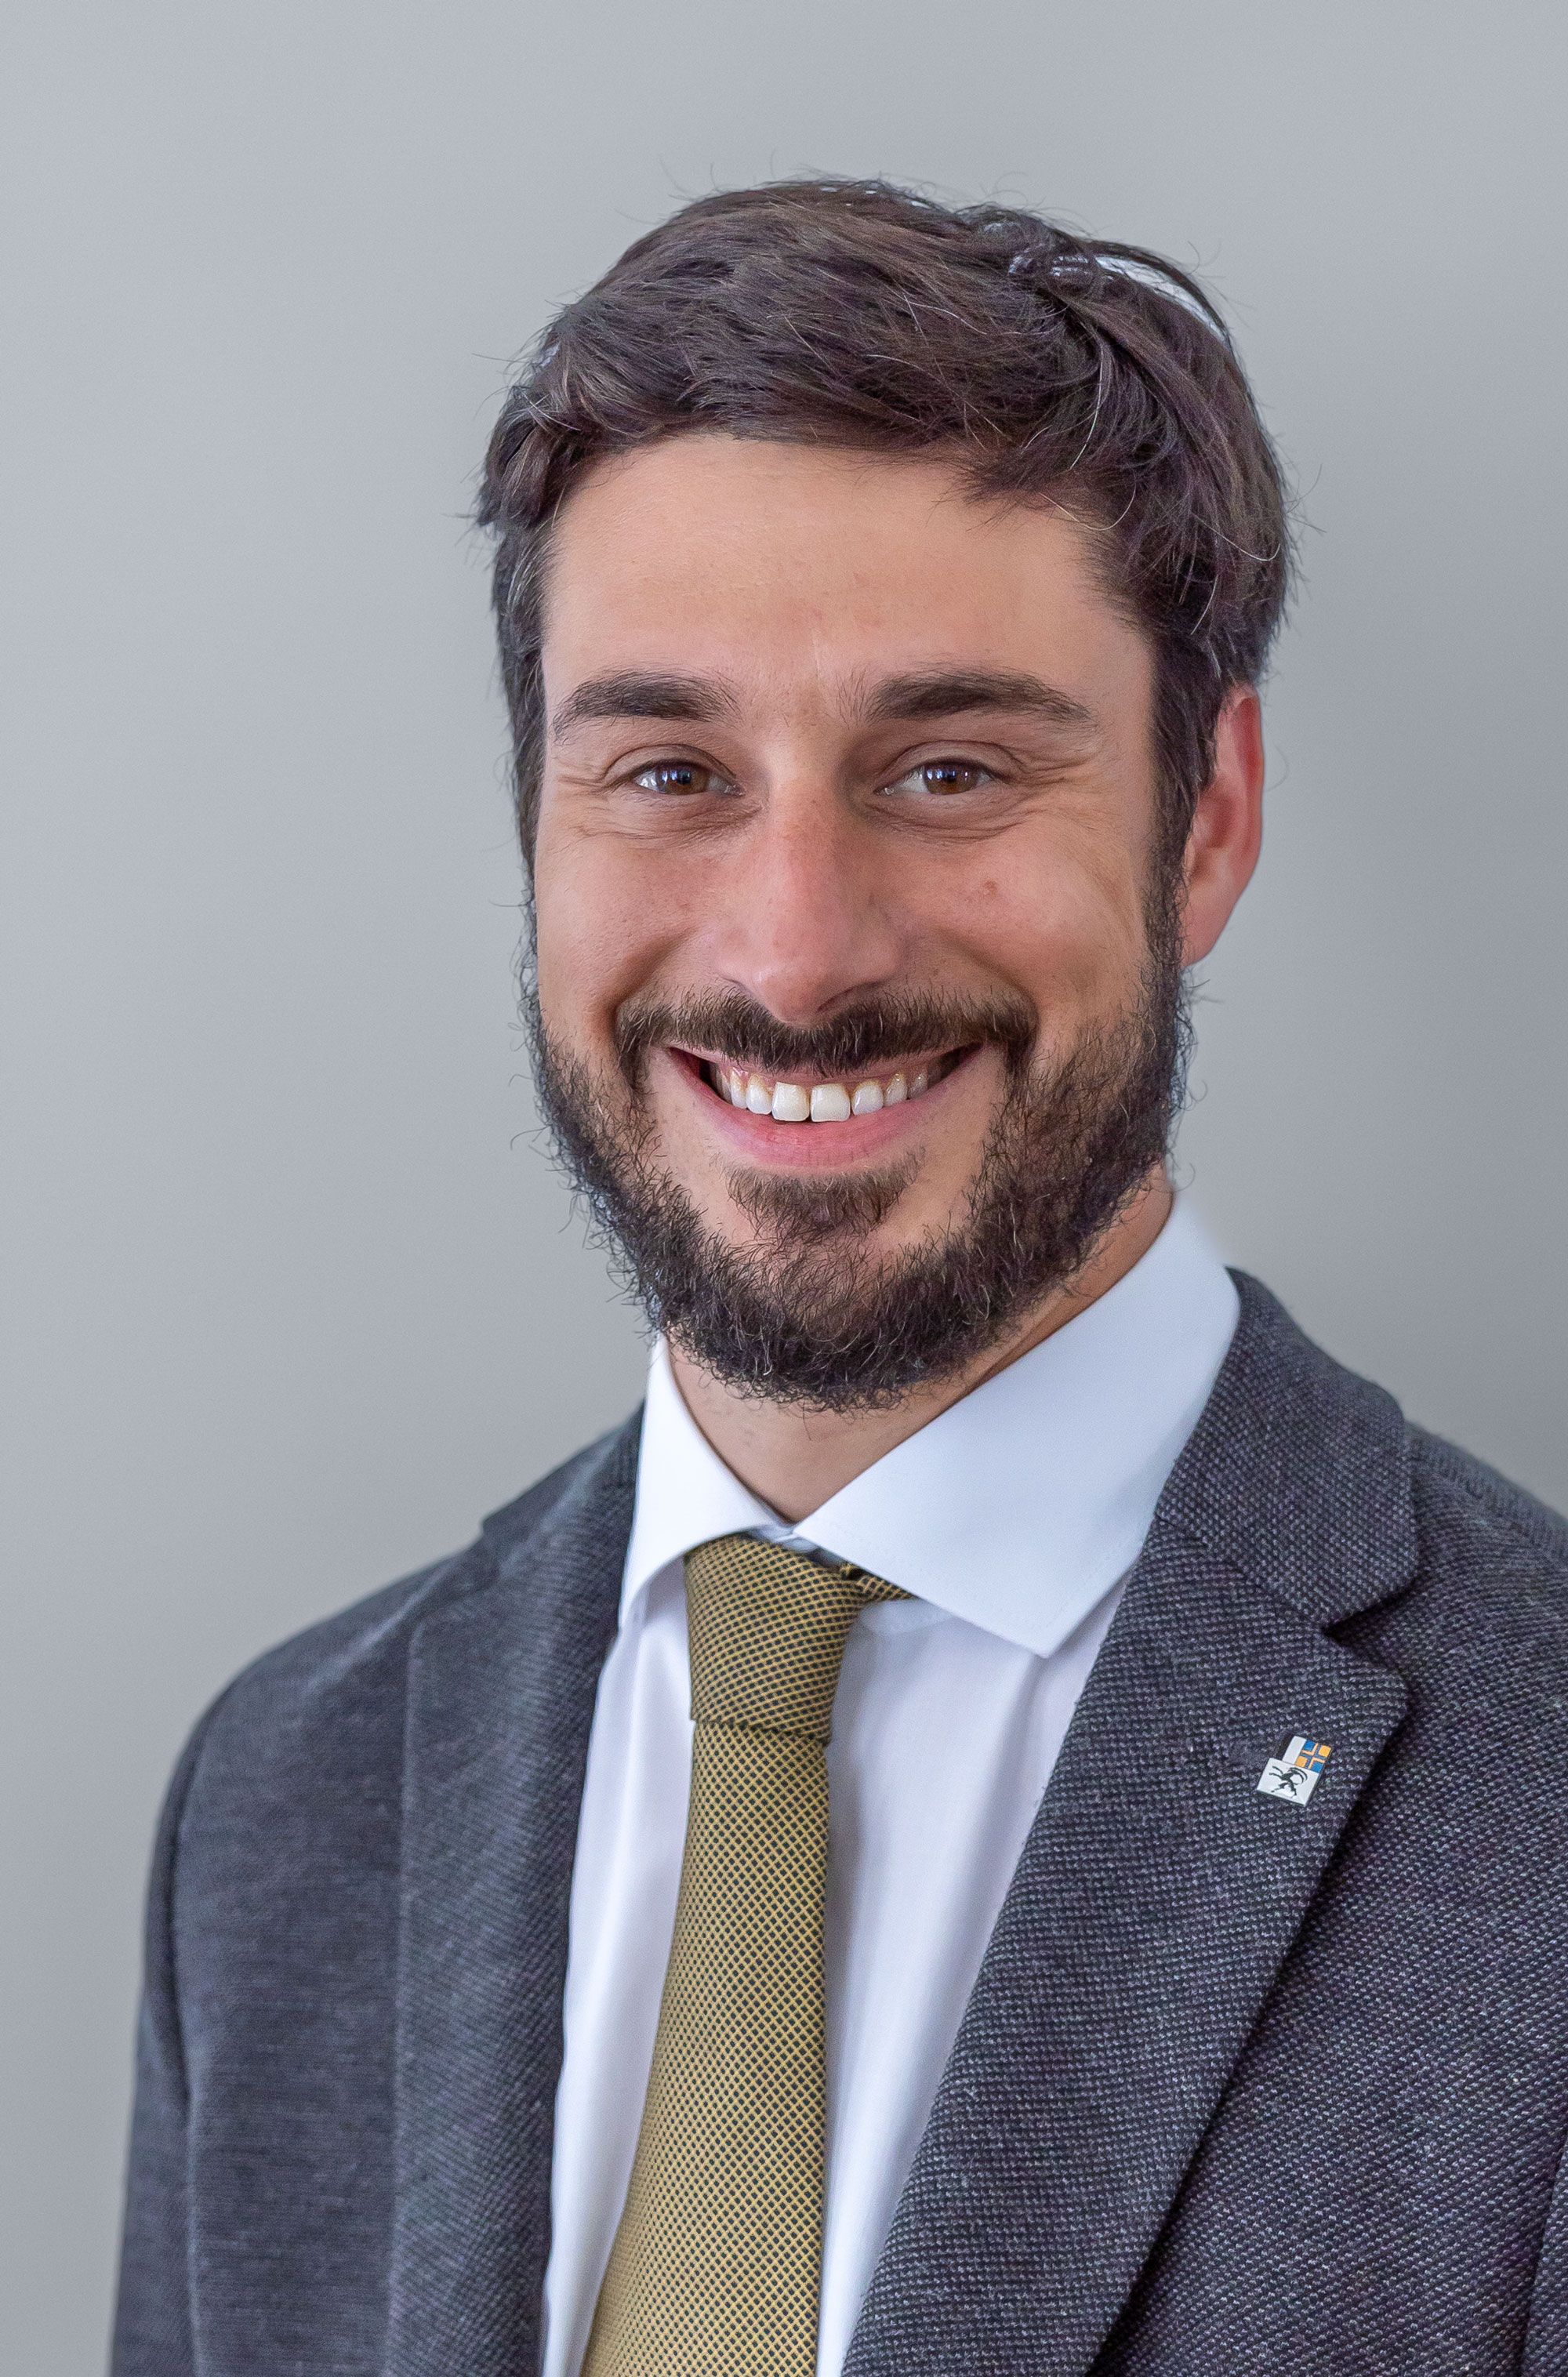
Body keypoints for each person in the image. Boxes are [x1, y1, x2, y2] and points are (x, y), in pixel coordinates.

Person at [111, 180, 1568, 2377]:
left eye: (951, 768)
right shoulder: (285, 1809)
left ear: (1205, 820)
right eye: (669, 772)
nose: (795, 951)